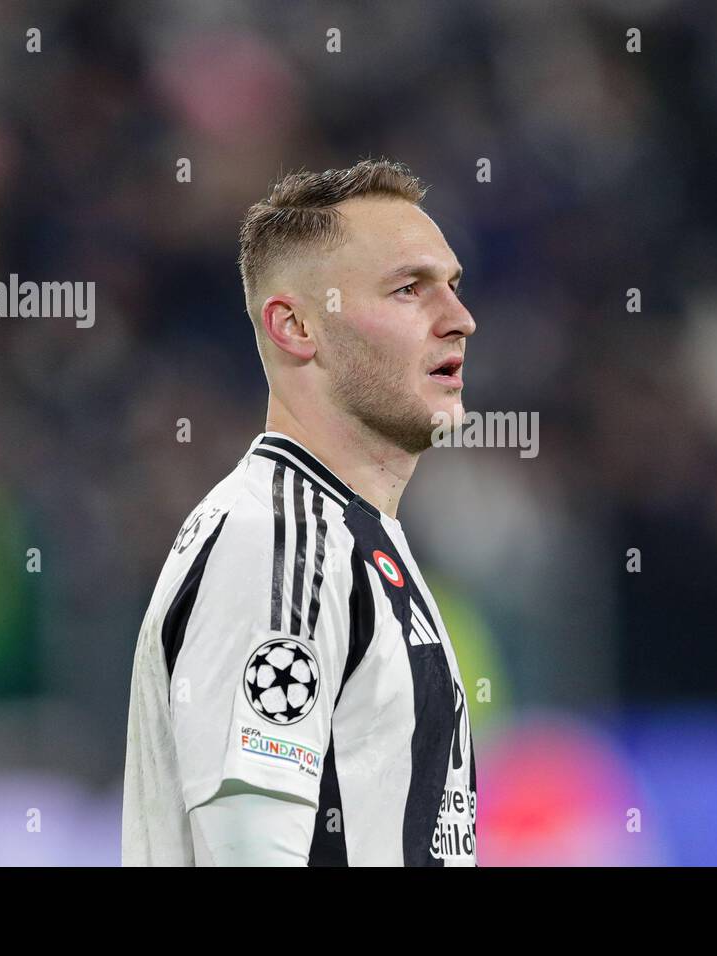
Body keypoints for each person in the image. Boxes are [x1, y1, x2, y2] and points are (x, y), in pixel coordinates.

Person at [122, 158, 478, 866]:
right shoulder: (281, 543)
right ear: (295, 327)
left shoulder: (353, 538)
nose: (460, 320)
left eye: (454, 287)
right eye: (410, 289)